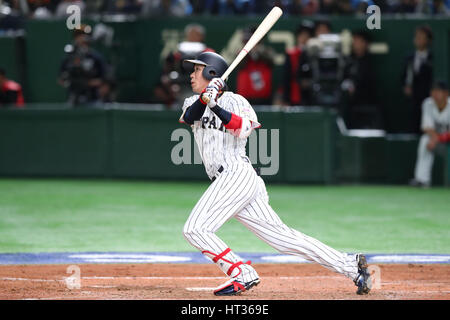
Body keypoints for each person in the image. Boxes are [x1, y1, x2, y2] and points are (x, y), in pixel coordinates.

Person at [178, 51, 372, 296]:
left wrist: (215, 104)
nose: (192, 74)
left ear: (211, 72)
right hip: (229, 181)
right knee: (283, 239)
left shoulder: (236, 101)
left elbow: (242, 129)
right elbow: (189, 117)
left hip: (237, 174)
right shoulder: (192, 102)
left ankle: (240, 272)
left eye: (197, 69)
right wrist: (207, 99)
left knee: (195, 228)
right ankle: (351, 265)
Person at [154, 23, 214, 108]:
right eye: (191, 34)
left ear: (202, 36)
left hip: (201, 90)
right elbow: (166, 72)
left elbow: (213, 73)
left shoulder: (208, 52)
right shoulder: (176, 52)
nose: (193, 37)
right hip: (179, 89)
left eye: (196, 35)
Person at [410, 80, 450, 188]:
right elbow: (427, 127)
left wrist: (438, 138)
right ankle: (422, 180)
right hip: (438, 142)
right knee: (425, 140)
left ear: (446, 93)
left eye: (438, 91)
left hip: (447, 140)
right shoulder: (428, 103)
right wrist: (435, 138)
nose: (435, 94)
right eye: (433, 91)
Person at [58, 24, 110, 106]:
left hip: (92, 99)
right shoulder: (69, 57)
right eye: (78, 35)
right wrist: (72, 82)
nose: (81, 38)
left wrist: (87, 83)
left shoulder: (96, 58)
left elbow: (104, 81)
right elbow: (61, 79)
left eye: (84, 35)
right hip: (73, 98)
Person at [341, 31, 379, 128]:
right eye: (355, 42)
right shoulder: (347, 62)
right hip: (349, 107)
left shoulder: (369, 63)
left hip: (366, 107)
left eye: (360, 42)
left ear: (366, 44)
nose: (357, 45)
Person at [402, 25, 434, 134]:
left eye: (421, 37)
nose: (418, 39)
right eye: (416, 37)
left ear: (428, 40)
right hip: (412, 102)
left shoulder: (433, 58)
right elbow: (403, 77)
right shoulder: (409, 58)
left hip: (427, 99)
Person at [236, 26, 276, 105]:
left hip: (263, 97)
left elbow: (272, 62)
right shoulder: (241, 54)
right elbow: (240, 65)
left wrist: (259, 52)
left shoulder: (266, 52)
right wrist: (248, 52)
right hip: (245, 98)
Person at [280, 21, 314, 106]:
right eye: (302, 35)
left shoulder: (315, 54)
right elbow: (286, 77)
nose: (305, 38)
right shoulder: (292, 54)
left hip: (312, 96)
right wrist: (285, 99)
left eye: (308, 36)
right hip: (295, 96)